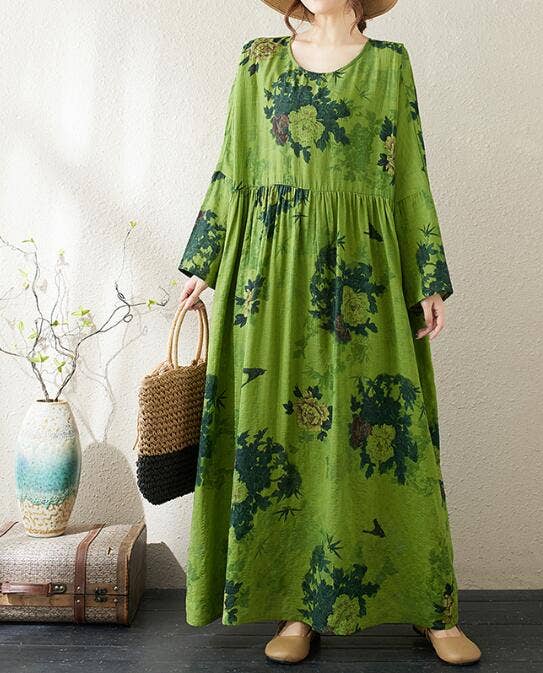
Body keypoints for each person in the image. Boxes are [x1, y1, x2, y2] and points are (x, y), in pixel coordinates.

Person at [177, 0, 481, 665]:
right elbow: (233, 166)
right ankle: (296, 607)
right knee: (283, 434)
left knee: (388, 435)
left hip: (367, 273)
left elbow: (409, 175)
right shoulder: (257, 61)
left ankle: (431, 607)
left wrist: (427, 275)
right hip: (271, 275)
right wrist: (204, 260)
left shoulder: (390, 65)